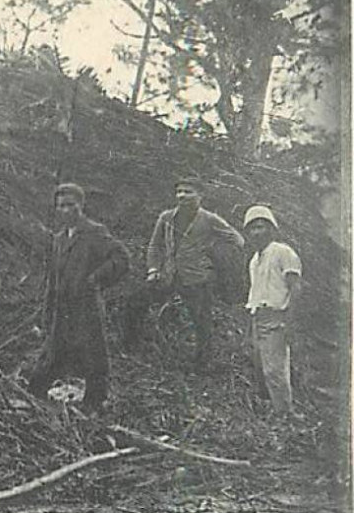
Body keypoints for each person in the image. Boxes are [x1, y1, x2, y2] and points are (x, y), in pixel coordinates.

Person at [29, 182, 130, 413]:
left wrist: (96, 279)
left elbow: (121, 258)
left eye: (70, 205)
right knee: (51, 355)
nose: (65, 211)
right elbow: (53, 280)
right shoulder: (59, 239)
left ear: (80, 206)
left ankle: (96, 404)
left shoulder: (94, 232)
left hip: (86, 307)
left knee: (93, 356)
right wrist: (46, 312)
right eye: (60, 206)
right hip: (61, 309)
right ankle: (35, 399)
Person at [123, 176, 244, 368]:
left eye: (188, 192)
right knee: (135, 302)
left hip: (197, 278)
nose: (182, 196)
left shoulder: (210, 219)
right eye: (179, 192)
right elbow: (155, 246)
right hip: (168, 275)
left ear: (200, 195)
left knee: (201, 321)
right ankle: (131, 347)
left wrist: (211, 254)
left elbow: (237, 240)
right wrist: (153, 269)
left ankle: (201, 364)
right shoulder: (166, 217)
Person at [243, 204, 302, 416]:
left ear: (271, 229)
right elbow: (257, 293)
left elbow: (295, 287)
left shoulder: (283, 252)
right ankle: (271, 412)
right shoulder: (254, 260)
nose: (256, 232)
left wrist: (290, 321)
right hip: (258, 316)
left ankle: (285, 415)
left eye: (261, 226)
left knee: (275, 370)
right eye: (252, 228)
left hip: (277, 317)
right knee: (260, 367)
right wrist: (251, 325)